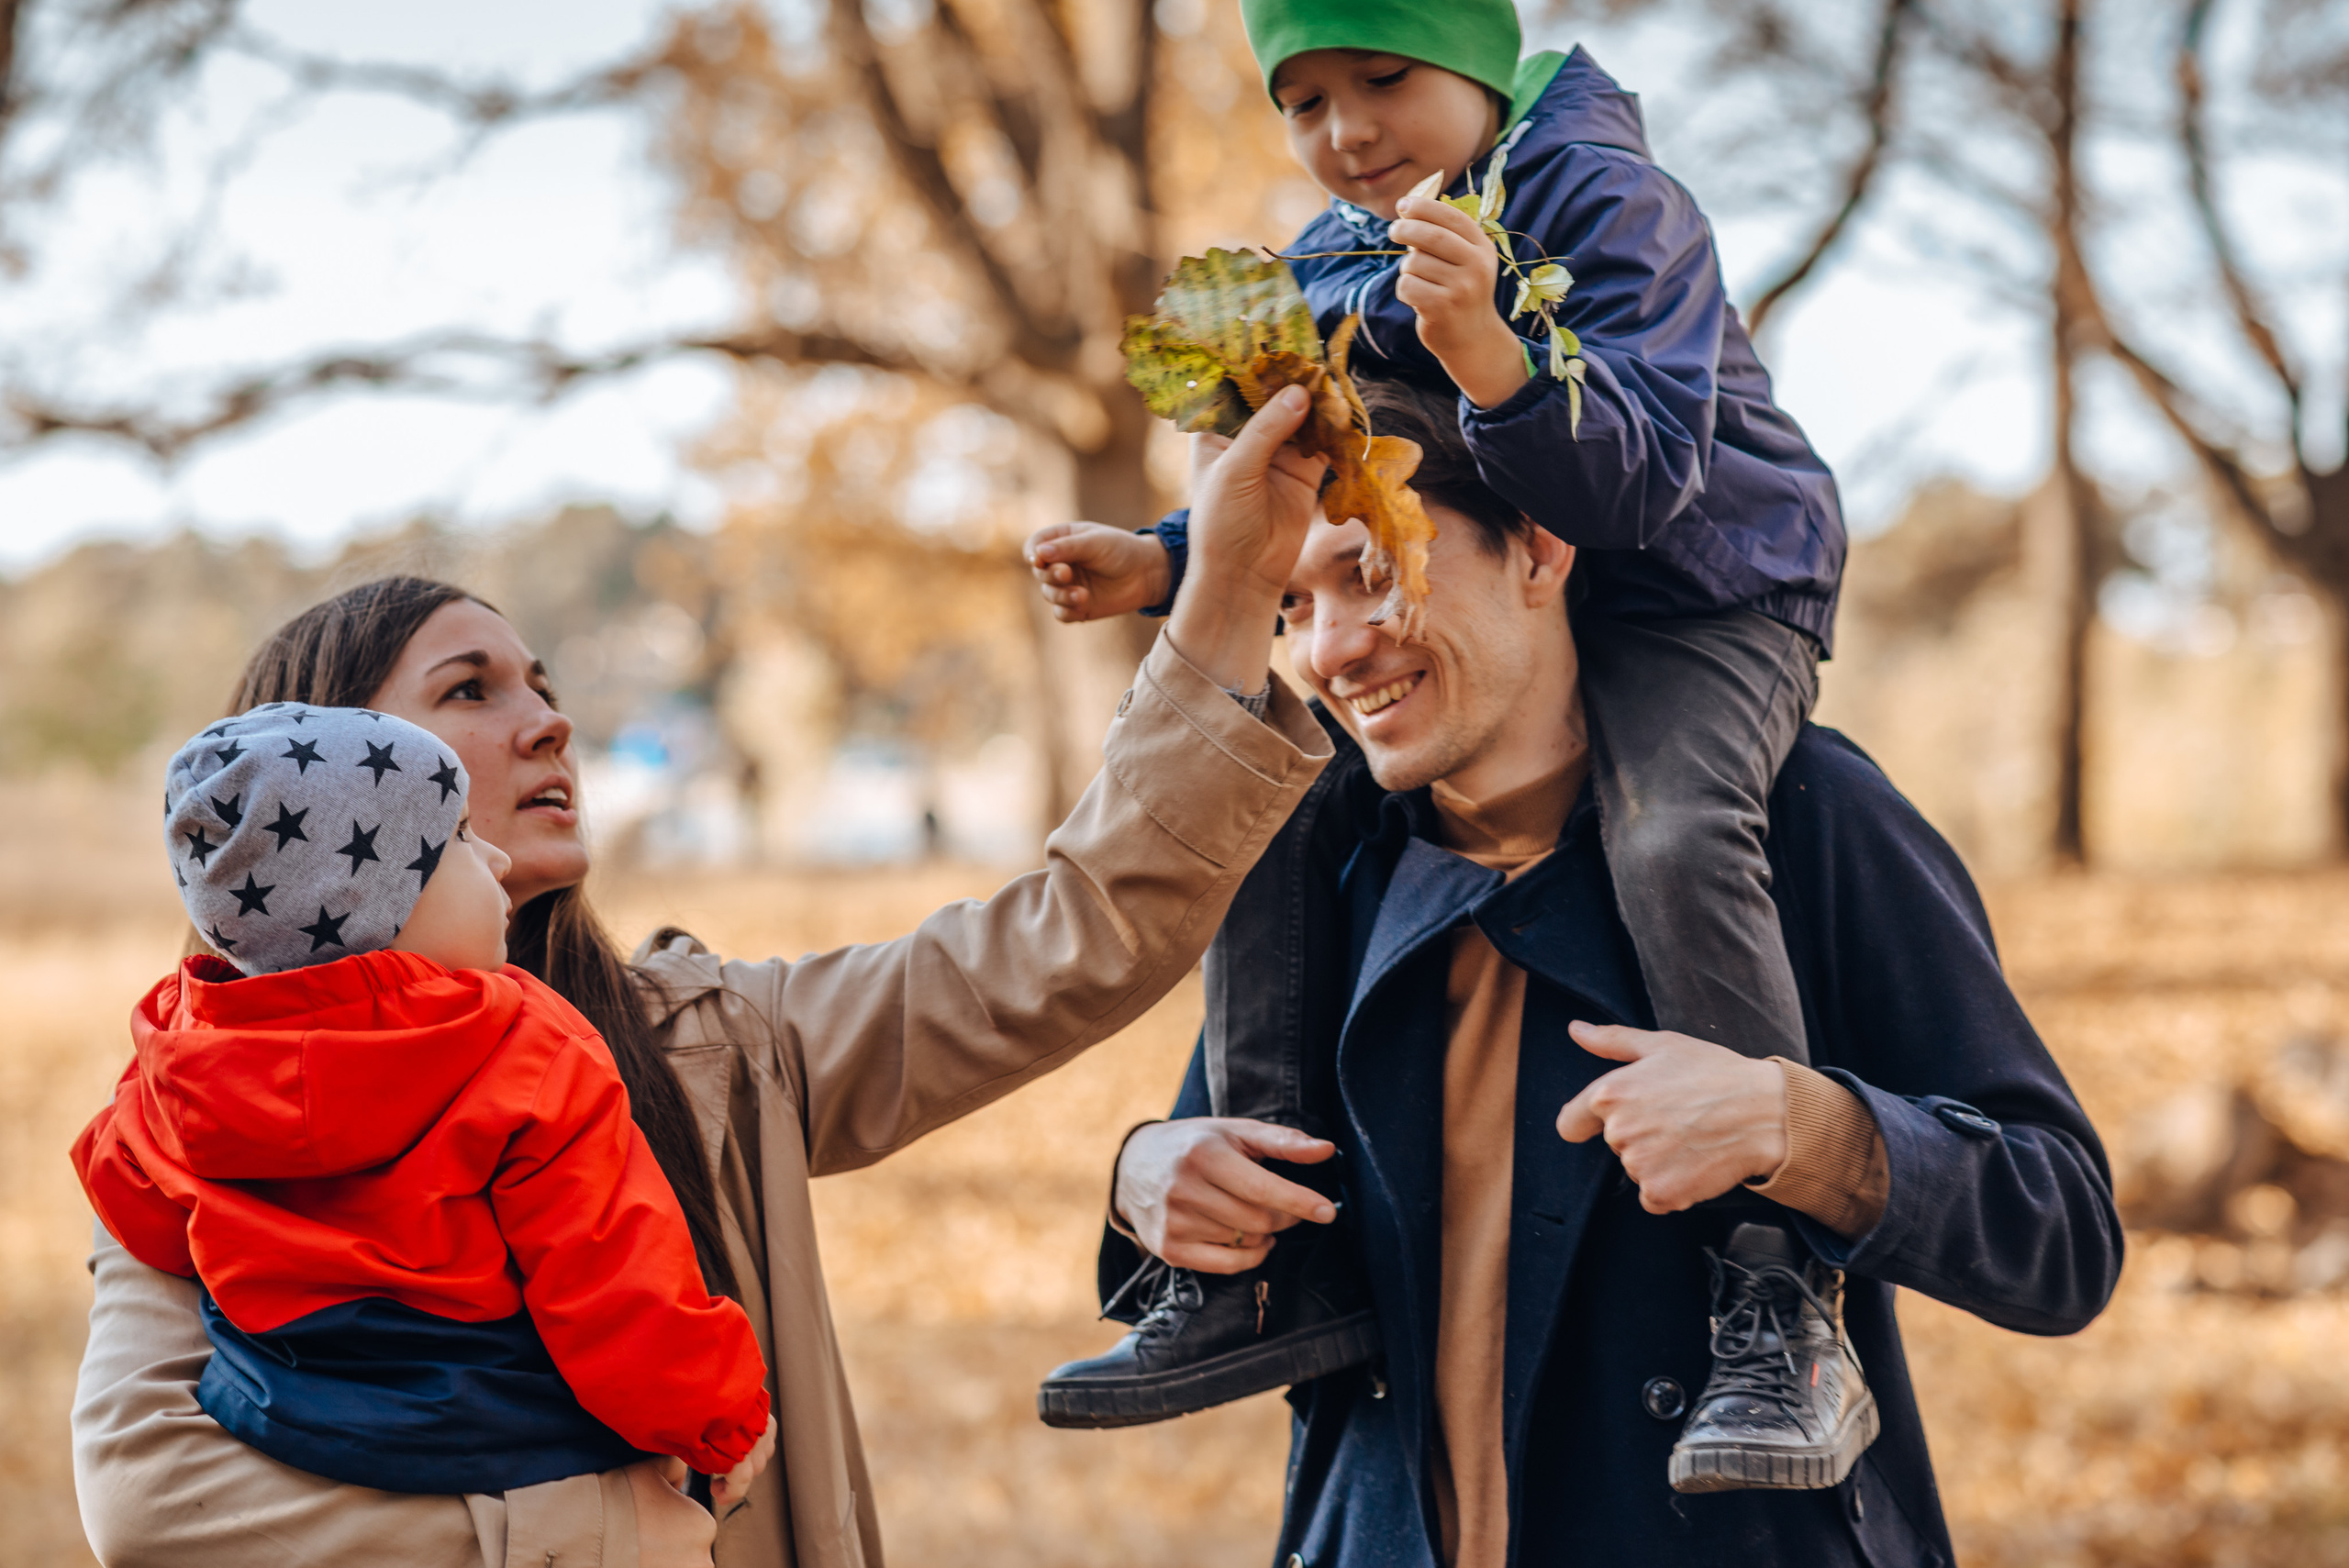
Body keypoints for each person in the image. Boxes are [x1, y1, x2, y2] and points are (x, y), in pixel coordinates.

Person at [69, 384, 1340, 1568]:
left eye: (543, 684)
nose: (550, 719)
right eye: (471, 688)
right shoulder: (201, 1108)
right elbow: (152, 1501)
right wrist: (618, 1524)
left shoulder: (710, 1045)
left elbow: (1075, 935)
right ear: (334, 784)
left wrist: (1227, 586)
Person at [1047, 377, 2119, 1567]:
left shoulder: (1802, 814)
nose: (1330, 651)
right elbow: (1222, 1165)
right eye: (1292, 603)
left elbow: (2062, 1232)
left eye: (1371, 571)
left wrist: (1799, 1125)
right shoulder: (1323, 864)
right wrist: (1144, 1173)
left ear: (1542, 545)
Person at [1026, 0, 1852, 1479]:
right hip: (1506, 603)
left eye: (1384, 77)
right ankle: (1273, 1256)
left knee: (1669, 824)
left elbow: (1649, 484)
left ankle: (1780, 1298)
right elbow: (1349, 465)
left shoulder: (1607, 198)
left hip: (1701, 588)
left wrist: (1490, 354)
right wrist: (1168, 556)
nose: (1345, 130)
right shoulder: (1332, 249)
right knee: (1275, 798)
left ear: (1473, 57)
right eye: (1302, 99)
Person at [74, 705, 777, 1505]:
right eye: (461, 842)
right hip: (498, 1433)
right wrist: (721, 1416)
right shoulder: (518, 1040)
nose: (500, 858)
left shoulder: (181, 1060)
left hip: (287, 1424)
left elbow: (138, 1210)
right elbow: (617, 1277)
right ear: (381, 901)